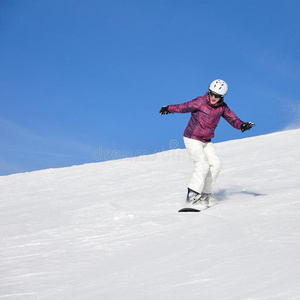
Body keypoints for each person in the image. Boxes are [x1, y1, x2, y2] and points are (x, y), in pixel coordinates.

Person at [160, 79, 255, 209]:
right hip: (192, 138)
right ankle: (192, 196)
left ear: (222, 97)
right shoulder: (200, 102)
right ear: (209, 91)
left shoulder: (222, 108)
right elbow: (184, 107)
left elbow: (233, 119)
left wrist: (242, 125)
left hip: (206, 141)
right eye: (212, 94)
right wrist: (169, 108)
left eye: (217, 96)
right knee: (203, 164)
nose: (213, 98)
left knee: (216, 165)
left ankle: (205, 195)